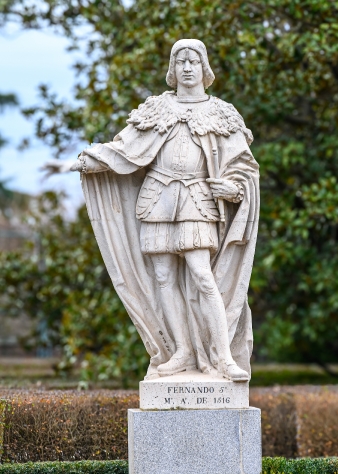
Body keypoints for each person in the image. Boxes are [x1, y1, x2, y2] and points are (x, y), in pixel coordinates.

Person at [71, 39, 259, 382]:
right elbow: (125, 150)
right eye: (181, 61)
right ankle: (182, 351)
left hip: (198, 200)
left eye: (193, 60)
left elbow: (243, 166)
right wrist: (92, 160)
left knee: (202, 274)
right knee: (162, 277)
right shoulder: (156, 108)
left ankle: (223, 356)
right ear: (173, 69)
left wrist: (233, 188)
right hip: (157, 197)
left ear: (205, 67)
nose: (187, 67)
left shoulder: (221, 112)